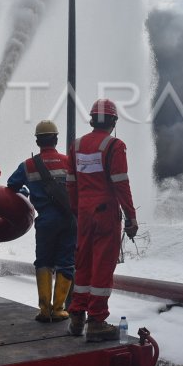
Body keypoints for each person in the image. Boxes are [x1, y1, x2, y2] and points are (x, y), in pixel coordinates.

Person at [66, 99, 139, 342]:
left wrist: (77, 210)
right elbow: (121, 182)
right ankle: (96, 321)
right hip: (106, 212)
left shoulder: (76, 145)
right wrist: (131, 216)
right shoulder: (114, 145)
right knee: (103, 266)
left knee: (83, 262)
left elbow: (71, 183)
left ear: (91, 120)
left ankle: (77, 316)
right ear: (113, 122)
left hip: (85, 212)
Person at [6, 120, 74, 323]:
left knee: (43, 262)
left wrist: (27, 191)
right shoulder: (68, 162)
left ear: (37, 141)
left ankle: (44, 310)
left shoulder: (28, 165)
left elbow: (11, 184)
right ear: (56, 139)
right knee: (66, 263)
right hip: (68, 220)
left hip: (45, 222)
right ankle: (59, 308)